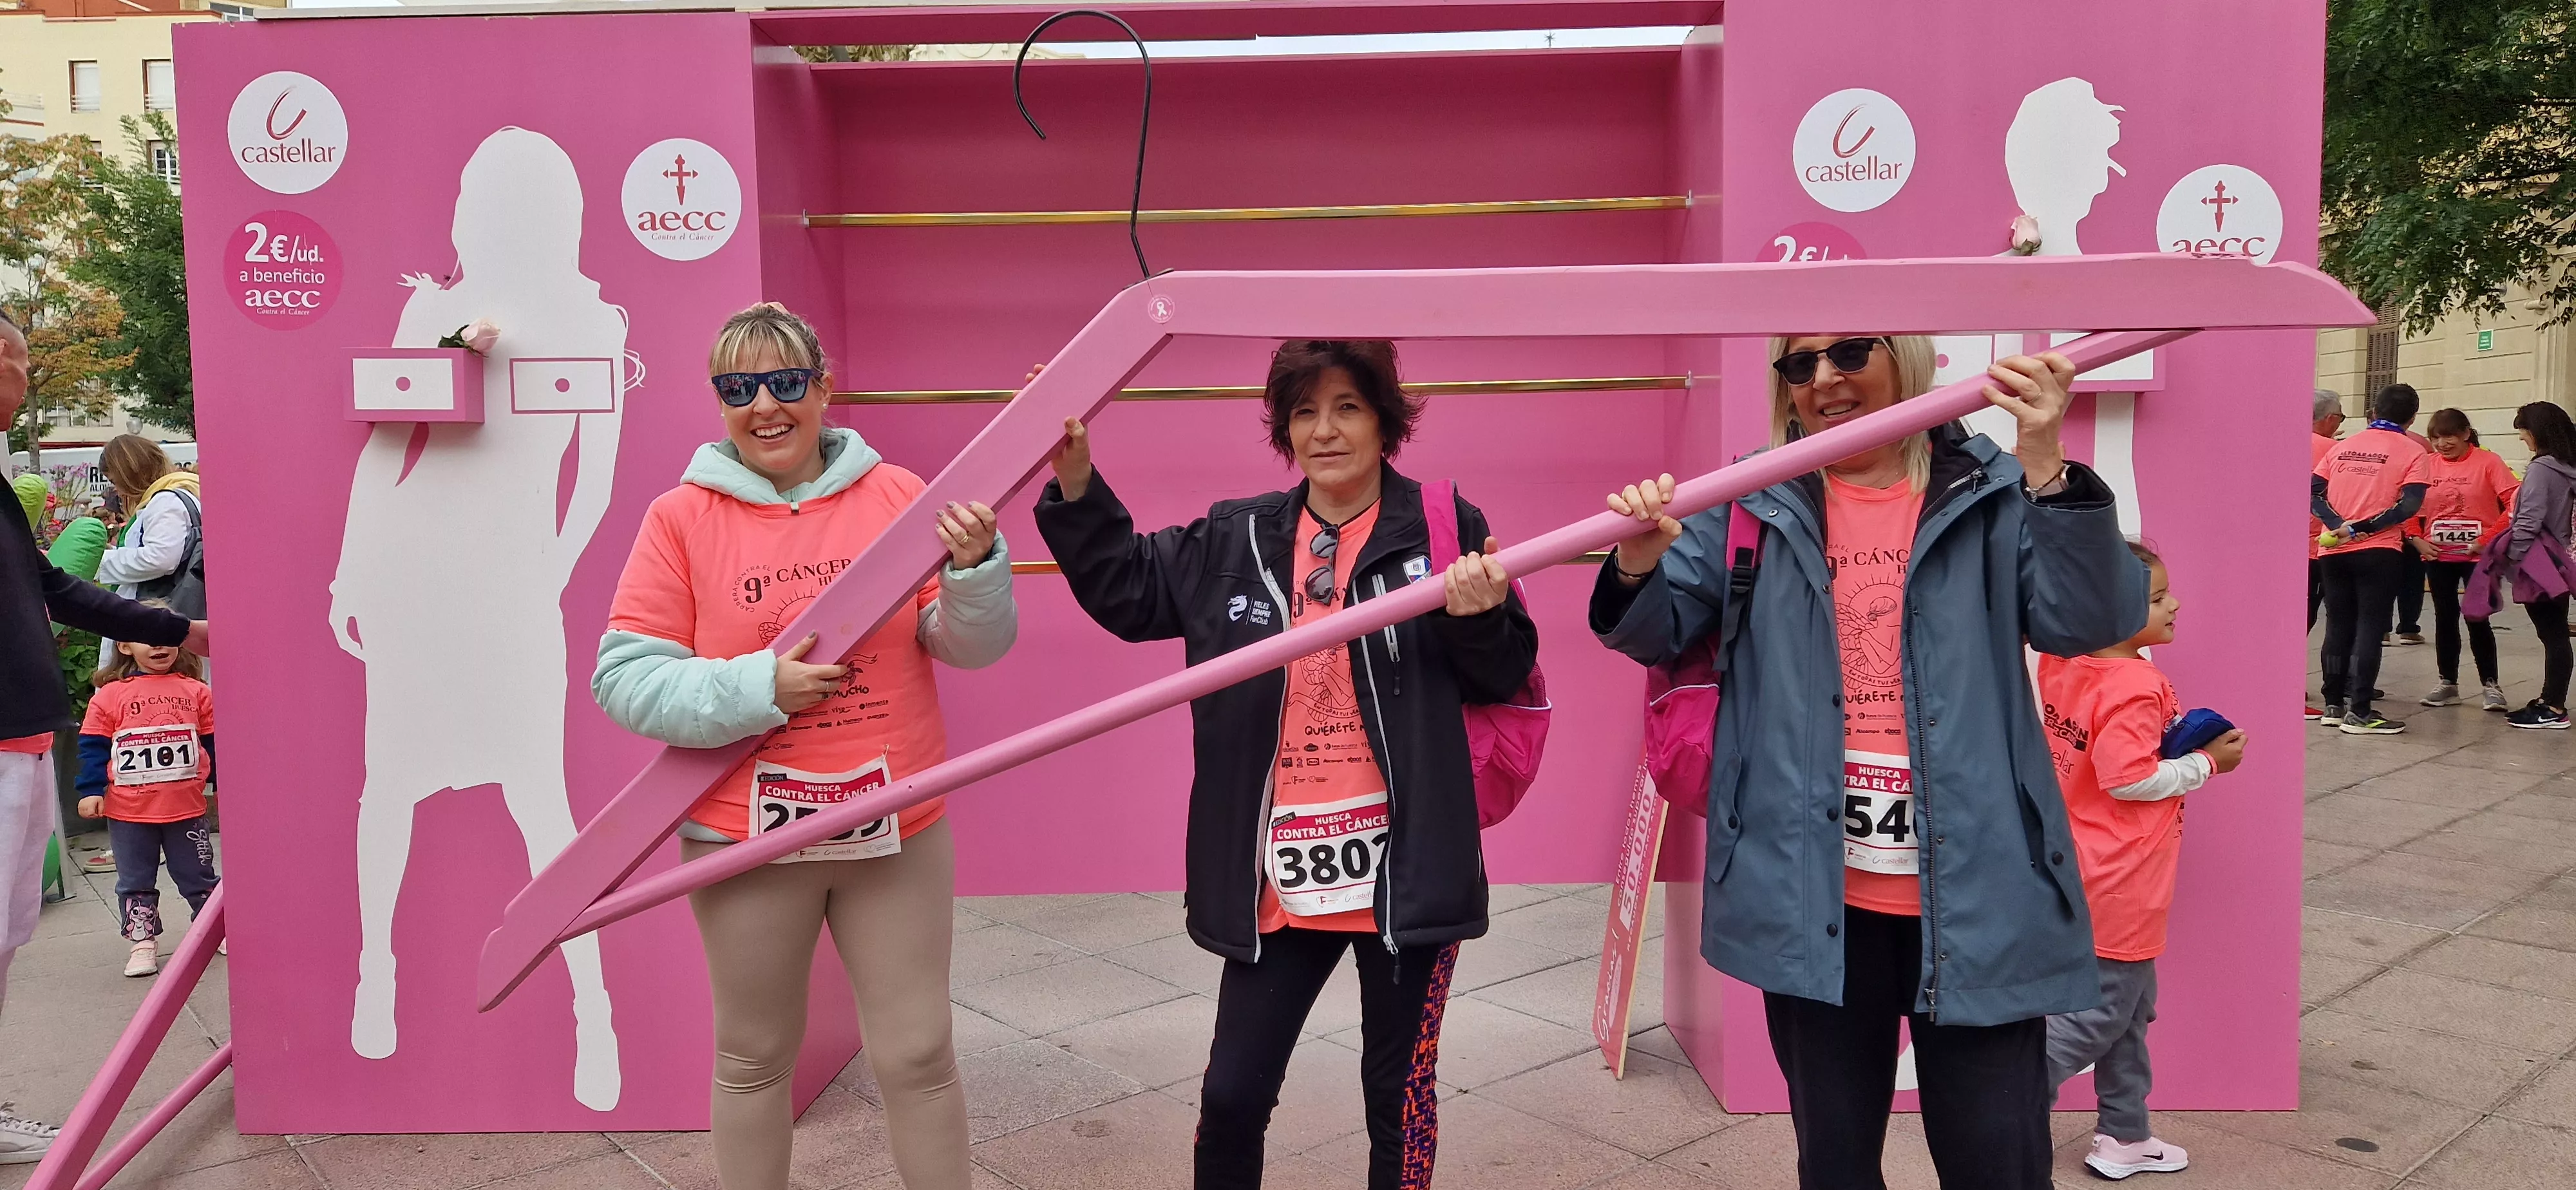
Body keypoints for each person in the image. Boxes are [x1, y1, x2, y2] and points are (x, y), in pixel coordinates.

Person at [1595, 337, 2144, 1190]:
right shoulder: (1752, 496)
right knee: (1837, 1163)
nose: (1824, 380)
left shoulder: (1992, 488)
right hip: (1811, 893)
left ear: (1908, 359)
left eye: (1851, 352)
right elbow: (1659, 627)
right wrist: (1635, 562)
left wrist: (2046, 464)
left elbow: (2090, 619)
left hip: (1978, 894)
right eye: (1799, 365)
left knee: (1998, 1160)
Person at [1034, 339, 1539, 1189]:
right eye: (1303, 411)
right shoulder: (1238, 537)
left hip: (1403, 868)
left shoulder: (1447, 525)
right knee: (1232, 1095)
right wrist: (1078, 483)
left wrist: (1479, 617)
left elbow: (1503, 668)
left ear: (1385, 420)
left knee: (1399, 1099)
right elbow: (1128, 590)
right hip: (1279, 874)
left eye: (1347, 407)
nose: (1324, 430)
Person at [593, 303, 1013, 1190]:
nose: (764, 406)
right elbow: (624, 680)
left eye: (785, 382)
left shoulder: (900, 494)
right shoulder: (679, 518)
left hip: (893, 823)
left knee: (919, 1053)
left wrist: (976, 574)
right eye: (737, 388)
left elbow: (970, 644)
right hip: (746, 836)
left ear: (823, 390)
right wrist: (755, 688)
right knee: (752, 1059)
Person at [0, 312, 207, 1164]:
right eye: (17, 359)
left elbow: (54, 585)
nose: (23, 380)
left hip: (21, 741)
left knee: (8, 937)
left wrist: (183, 630)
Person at [2039, 540, 2246, 1181]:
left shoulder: (2060, 661)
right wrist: (2207, 763)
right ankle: (2009, 1104)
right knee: (2100, 1014)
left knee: (2130, 1012)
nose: (2173, 604)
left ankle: (2125, 1134)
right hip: (2123, 879)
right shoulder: (2135, 683)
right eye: (2155, 598)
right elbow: (2127, 779)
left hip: (2076, 867)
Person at [75, 616, 218, 978]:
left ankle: (214, 931)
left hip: (186, 809)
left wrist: (223, 781)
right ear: (125, 647)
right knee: (135, 880)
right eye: (147, 638)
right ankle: (142, 943)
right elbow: (93, 746)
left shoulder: (198, 691)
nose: (159, 646)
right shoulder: (109, 695)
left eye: (168, 638)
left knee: (199, 876)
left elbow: (214, 743)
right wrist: (90, 790)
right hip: (129, 813)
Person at [2313, 383, 2432, 733]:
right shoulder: (2413, 452)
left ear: (2374, 412)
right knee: (2369, 626)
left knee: (2337, 624)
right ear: (2413, 417)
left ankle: (2333, 705)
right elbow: (2409, 505)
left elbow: (2313, 492)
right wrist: (2364, 527)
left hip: (2332, 548)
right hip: (2378, 550)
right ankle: (2361, 710)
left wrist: (2340, 526)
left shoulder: (2342, 447)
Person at [2414, 408, 2517, 712]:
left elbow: (2514, 502)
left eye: (2449, 437)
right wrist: (2417, 539)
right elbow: (2409, 508)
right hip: (2438, 555)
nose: (2442, 444)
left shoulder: (2489, 462)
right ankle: (2448, 682)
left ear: (2465, 435)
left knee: (2477, 617)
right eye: (2435, 438)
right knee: (2445, 618)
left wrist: (2486, 541)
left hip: (2477, 559)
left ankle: (2491, 685)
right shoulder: (2426, 465)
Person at [2501, 402, 2576, 728]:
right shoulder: (2569, 466)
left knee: (2553, 633)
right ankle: (2550, 700)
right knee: (2556, 630)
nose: (2522, 438)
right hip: (2566, 558)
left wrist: (2512, 556)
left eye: (2524, 430)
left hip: (2543, 560)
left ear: (2538, 432)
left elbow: (2529, 520)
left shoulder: (2543, 469)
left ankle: (2553, 706)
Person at [94, 435, 202, 632]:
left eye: (114, 481)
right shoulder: (181, 493)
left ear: (129, 473)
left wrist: (100, 561)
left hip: (161, 612)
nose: (117, 491)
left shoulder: (166, 502)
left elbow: (162, 558)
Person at [2373, 386, 2434, 647]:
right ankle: (2408, 627)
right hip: (2413, 519)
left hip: (2378, 521)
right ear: (2413, 416)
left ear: (2375, 413)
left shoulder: (2360, 443)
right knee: (2412, 576)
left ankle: (2383, 629)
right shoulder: (2419, 444)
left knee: (2383, 577)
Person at [2308, 389, 2344, 721]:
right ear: (2331, 419)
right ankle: (2339, 685)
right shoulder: (2336, 452)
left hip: (2277, 550)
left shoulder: (2279, 442)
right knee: (2336, 619)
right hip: (2321, 547)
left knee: (2295, 621)